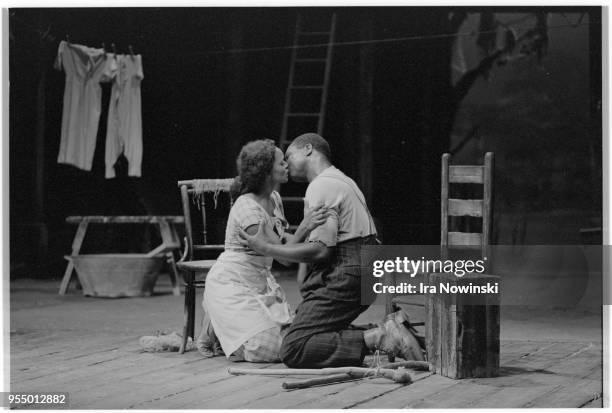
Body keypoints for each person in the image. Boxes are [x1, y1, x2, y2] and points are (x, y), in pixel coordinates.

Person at [239, 133, 424, 368]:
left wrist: (265, 247)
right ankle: (392, 329)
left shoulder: (321, 185)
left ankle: (381, 336)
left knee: (293, 347)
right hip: (363, 267)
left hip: (350, 271)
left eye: (289, 156)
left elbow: (320, 252)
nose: (286, 163)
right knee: (311, 328)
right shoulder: (340, 179)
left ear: (308, 149)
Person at [201, 138, 329, 362]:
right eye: (281, 163)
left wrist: (309, 233)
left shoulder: (274, 198)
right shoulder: (247, 208)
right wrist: (305, 227)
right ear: (266, 171)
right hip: (233, 282)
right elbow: (284, 256)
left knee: (292, 335)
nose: (286, 165)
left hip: (258, 282)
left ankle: (221, 328)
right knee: (272, 349)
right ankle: (218, 329)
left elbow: (281, 238)